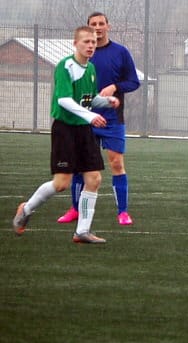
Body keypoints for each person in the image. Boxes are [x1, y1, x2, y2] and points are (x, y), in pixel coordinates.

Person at [13, 26, 120, 243]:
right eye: (86, 42)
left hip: (83, 130)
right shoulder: (65, 66)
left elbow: (86, 100)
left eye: (93, 42)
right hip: (65, 129)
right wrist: (90, 117)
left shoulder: (90, 69)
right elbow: (64, 100)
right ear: (75, 44)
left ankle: (82, 232)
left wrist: (106, 102)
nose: (91, 45)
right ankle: (26, 209)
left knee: (94, 178)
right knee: (62, 183)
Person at [57, 12, 141, 226]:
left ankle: (122, 212)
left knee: (116, 163)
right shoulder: (83, 54)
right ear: (87, 28)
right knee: (80, 166)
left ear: (108, 26)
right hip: (86, 119)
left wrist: (115, 87)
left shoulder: (120, 52)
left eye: (101, 23)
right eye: (93, 24)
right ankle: (75, 209)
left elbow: (133, 81)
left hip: (112, 119)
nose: (98, 27)